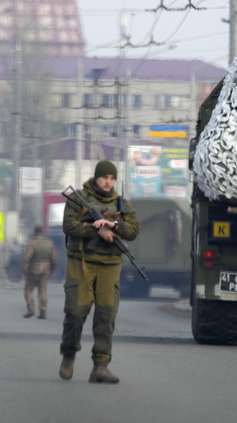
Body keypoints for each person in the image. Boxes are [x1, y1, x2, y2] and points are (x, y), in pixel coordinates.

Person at [59, 160, 140, 384]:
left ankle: (101, 366)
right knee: (76, 312)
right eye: (104, 177)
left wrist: (113, 226)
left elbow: (133, 230)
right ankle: (68, 355)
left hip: (110, 265)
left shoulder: (122, 204)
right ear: (96, 177)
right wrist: (97, 232)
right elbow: (69, 225)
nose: (108, 182)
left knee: (106, 316)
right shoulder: (78, 199)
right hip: (81, 262)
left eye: (112, 178)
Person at [22, 225, 57, 319]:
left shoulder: (33, 242)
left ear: (35, 232)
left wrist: (23, 270)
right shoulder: (49, 243)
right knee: (42, 291)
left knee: (28, 290)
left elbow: (27, 257)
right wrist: (53, 270)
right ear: (42, 232)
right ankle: (43, 311)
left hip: (34, 269)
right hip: (46, 270)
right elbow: (54, 258)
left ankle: (31, 309)